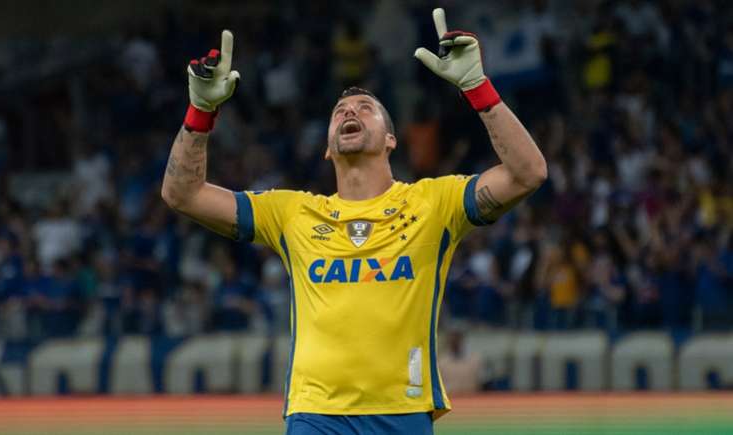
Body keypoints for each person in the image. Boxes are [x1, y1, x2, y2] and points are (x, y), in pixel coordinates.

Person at [161, 8, 546, 435]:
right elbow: (183, 195)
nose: (350, 112)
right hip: (315, 414)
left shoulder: (434, 203)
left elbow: (528, 174)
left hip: (400, 413)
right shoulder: (292, 213)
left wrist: (476, 86)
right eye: (340, 110)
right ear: (327, 147)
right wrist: (199, 113)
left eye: (366, 108)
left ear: (390, 138)